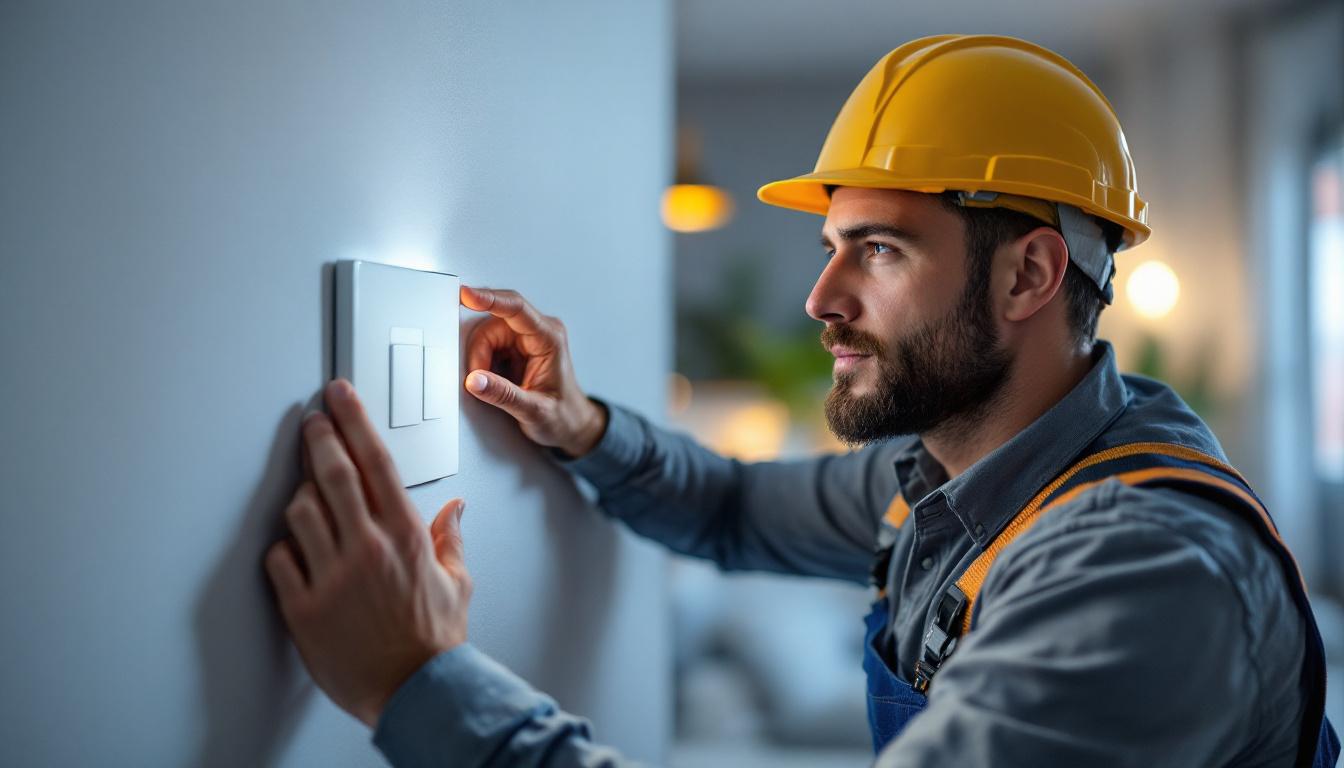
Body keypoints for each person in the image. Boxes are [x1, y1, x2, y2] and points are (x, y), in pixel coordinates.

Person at [265, 35, 1340, 767]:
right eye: (832, 247)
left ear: (1028, 276)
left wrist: (419, 680)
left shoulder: (1137, 571)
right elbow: (731, 509)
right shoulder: (944, 476)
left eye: (877, 249)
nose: (822, 299)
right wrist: (581, 425)